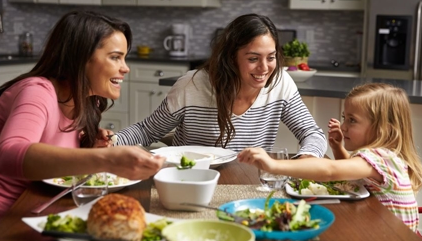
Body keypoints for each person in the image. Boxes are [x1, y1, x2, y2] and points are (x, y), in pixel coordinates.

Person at [0, 10, 165, 221]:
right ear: (81, 59)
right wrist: (105, 160)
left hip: (44, 207)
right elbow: (9, 154)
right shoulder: (37, 91)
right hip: (7, 216)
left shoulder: (88, 98)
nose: (126, 68)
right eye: (115, 57)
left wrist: (88, 144)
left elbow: (57, 156)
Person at [116, 13, 327, 158]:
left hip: (250, 183)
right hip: (191, 179)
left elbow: (312, 133)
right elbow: (146, 131)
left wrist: (306, 156)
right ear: (230, 58)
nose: (264, 68)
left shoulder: (281, 84)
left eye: (271, 57)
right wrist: (110, 142)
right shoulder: (192, 86)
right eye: (253, 58)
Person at [238, 83, 422, 232]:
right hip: (378, 229)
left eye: (352, 120)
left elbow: (331, 171)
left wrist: (273, 165)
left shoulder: (381, 157)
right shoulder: (382, 156)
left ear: (383, 129)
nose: (343, 126)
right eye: (345, 117)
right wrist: (337, 147)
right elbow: (351, 173)